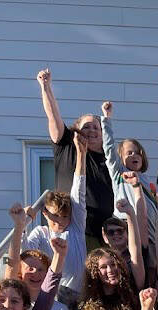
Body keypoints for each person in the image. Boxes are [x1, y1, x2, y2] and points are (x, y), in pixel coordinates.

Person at [37, 68, 113, 244]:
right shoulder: (67, 146)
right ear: (76, 131)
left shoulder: (109, 159)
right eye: (86, 126)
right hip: (70, 230)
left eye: (96, 127)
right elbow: (53, 116)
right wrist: (46, 87)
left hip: (105, 235)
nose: (92, 130)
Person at [24, 135, 88, 306]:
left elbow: (79, 191)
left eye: (65, 216)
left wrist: (81, 155)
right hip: (54, 294)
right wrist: (22, 224)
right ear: (45, 213)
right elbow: (25, 251)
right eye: (55, 216)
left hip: (81, 291)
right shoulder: (41, 233)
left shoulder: (75, 227)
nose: (60, 221)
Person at [99, 100, 158, 247]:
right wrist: (106, 119)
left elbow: (155, 208)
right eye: (129, 153)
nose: (135, 155)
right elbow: (109, 149)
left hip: (150, 235)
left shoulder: (148, 181)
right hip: (124, 230)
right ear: (121, 157)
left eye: (138, 153)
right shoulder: (119, 173)